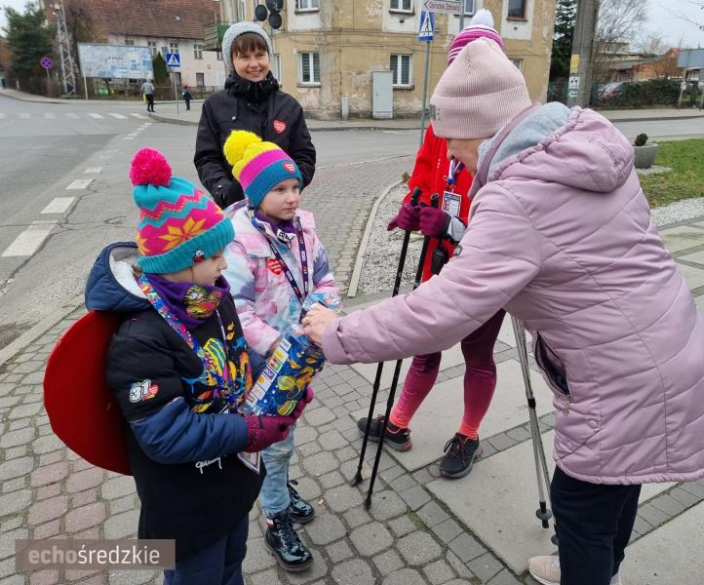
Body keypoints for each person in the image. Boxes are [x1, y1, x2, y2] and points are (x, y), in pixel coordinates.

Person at [303, 39, 704, 585]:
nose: (453, 158)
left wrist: (337, 332)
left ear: (478, 127)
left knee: (580, 507)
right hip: (668, 345)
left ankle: (585, 572)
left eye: (452, 142)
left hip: (620, 375)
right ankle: (592, 568)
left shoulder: (518, 196)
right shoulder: (579, 145)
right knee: (617, 488)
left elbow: (443, 309)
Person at [85, 147, 310, 584]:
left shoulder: (210, 298)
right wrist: (251, 430)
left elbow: (237, 364)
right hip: (184, 508)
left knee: (232, 568)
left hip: (229, 486)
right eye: (214, 255)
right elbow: (165, 435)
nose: (225, 264)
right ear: (184, 260)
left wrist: (282, 384)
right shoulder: (139, 340)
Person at [357, 9, 506, 479]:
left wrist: (451, 224)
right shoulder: (441, 126)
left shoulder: (506, 135)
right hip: (437, 260)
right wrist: (411, 207)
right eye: (457, 66)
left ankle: (468, 435)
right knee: (424, 345)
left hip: (483, 269)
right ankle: (398, 425)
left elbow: (505, 231)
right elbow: (425, 176)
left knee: (476, 355)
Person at [220, 129, 339, 572]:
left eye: (295, 188)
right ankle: (275, 516)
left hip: (303, 350)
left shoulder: (304, 228)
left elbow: (323, 278)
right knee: (276, 439)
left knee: (286, 433)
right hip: (265, 360)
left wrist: (323, 314)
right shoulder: (239, 241)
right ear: (254, 194)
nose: (291, 198)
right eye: (279, 190)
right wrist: (277, 346)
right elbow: (237, 309)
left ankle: (278, 485)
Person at [195, 22, 316, 209]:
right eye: (244, 57)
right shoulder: (215, 105)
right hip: (233, 209)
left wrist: (287, 188)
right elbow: (207, 158)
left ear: (268, 56)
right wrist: (225, 191)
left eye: (260, 55)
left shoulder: (289, 106)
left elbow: (304, 155)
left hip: (280, 210)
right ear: (231, 62)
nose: (254, 64)